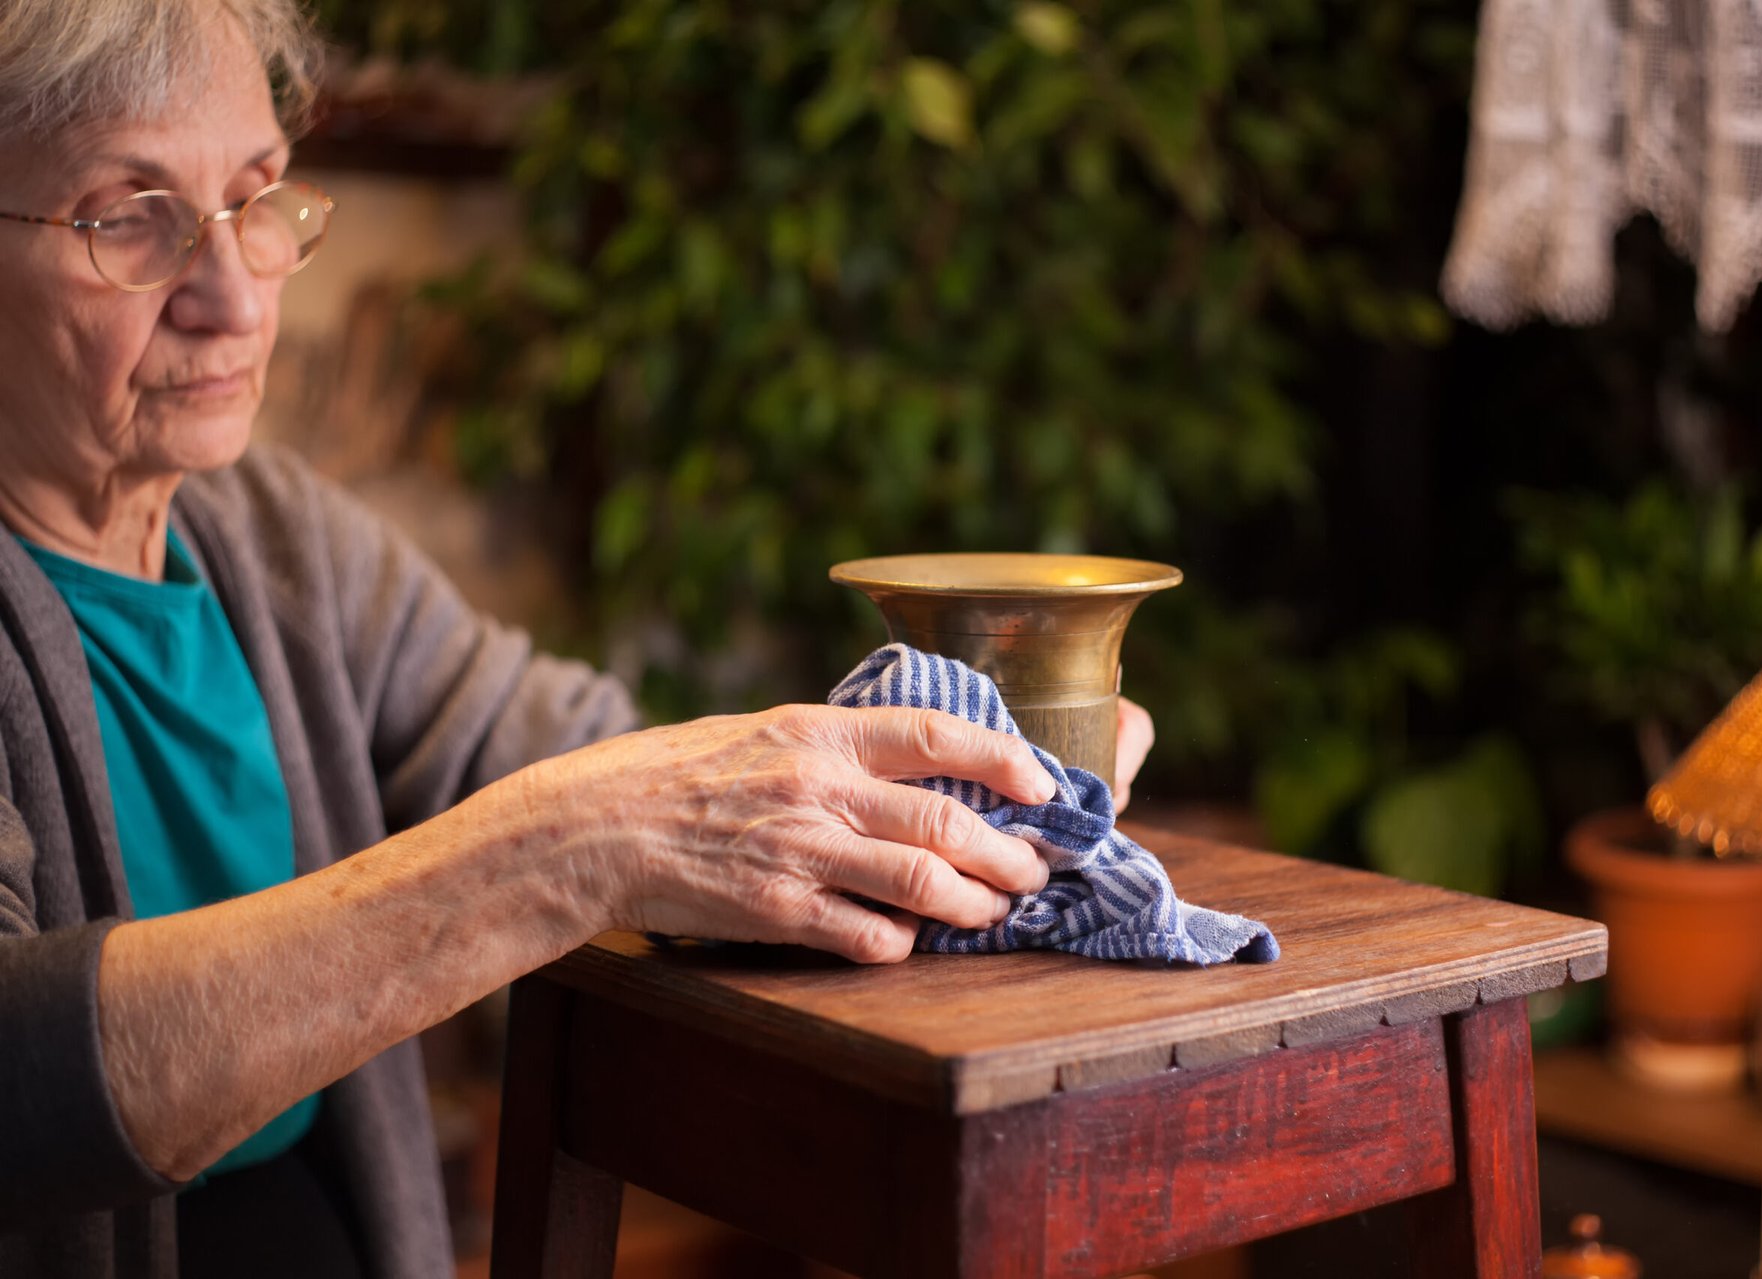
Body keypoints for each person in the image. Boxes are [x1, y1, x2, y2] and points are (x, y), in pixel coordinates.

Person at [0, 3, 1157, 1277]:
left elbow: (602, 757)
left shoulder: (280, 543)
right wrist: (551, 855)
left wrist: (946, 776)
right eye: (129, 218)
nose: (229, 299)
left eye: (256, 196)